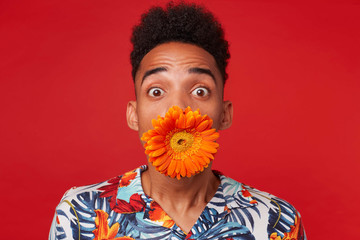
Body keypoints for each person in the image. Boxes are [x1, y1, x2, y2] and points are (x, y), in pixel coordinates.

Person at [49, 2, 306, 240]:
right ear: (134, 115)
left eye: (200, 91)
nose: (178, 108)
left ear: (224, 114)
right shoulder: (79, 214)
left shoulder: (277, 220)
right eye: (157, 91)